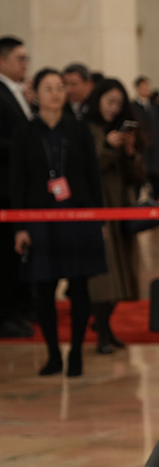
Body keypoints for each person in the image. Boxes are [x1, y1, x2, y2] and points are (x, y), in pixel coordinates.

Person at [11, 68, 108, 376]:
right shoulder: (24, 132)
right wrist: (20, 227)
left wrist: (99, 218)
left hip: (77, 216)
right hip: (39, 218)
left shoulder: (78, 129)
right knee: (44, 289)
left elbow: (92, 175)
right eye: (48, 88)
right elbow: (17, 181)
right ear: (35, 94)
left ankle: (76, 353)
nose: (55, 93)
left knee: (79, 288)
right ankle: (53, 354)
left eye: (60, 87)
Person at [83, 78, 144, 354]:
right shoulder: (88, 129)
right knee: (104, 277)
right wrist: (107, 146)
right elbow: (85, 169)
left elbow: (136, 176)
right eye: (109, 101)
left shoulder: (120, 129)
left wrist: (129, 152)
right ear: (97, 100)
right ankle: (102, 332)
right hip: (99, 207)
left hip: (121, 208)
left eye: (119, 103)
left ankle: (105, 327)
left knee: (124, 272)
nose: (114, 108)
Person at [0, 36, 34, 339]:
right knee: (4, 255)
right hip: (4, 187)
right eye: (20, 58)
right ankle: (5, 315)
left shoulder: (19, 91)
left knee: (17, 254)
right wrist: (24, 149)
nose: (25, 64)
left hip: (20, 186)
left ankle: (21, 307)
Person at [131, 76, 159, 200]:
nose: (146, 89)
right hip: (142, 147)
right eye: (143, 87)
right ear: (137, 88)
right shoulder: (133, 106)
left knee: (156, 176)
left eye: (147, 87)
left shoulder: (154, 106)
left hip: (155, 148)